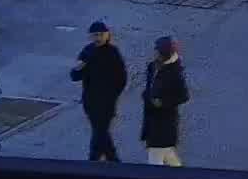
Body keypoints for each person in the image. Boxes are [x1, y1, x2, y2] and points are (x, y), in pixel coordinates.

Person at [71, 20, 127, 162]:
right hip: (90, 101)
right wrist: (78, 68)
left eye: (101, 34)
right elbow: (75, 76)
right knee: (100, 131)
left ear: (107, 35)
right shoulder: (87, 51)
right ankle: (111, 160)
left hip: (107, 102)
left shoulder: (113, 53)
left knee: (100, 131)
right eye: (95, 35)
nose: (98, 38)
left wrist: (113, 95)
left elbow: (122, 78)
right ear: (91, 36)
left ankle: (97, 160)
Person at [140, 37, 189, 167]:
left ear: (165, 52)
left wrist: (163, 103)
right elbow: (150, 87)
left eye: (157, 50)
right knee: (168, 155)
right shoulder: (152, 66)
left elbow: (183, 96)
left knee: (155, 156)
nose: (154, 52)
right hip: (151, 118)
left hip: (164, 122)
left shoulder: (175, 72)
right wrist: (146, 96)